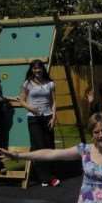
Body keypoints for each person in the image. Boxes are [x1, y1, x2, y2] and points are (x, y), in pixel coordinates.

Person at [19, 59, 60, 187]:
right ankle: (46, 178)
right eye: (35, 68)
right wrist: (30, 108)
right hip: (34, 118)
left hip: (47, 116)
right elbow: (21, 100)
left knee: (49, 146)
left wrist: (53, 118)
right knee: (39, 146)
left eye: (39, 68)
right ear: (32, 70)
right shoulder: (28, 84)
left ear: (43, 69)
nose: (37, 71)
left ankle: (48, 175)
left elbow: (53, 102)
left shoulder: (50, 83)